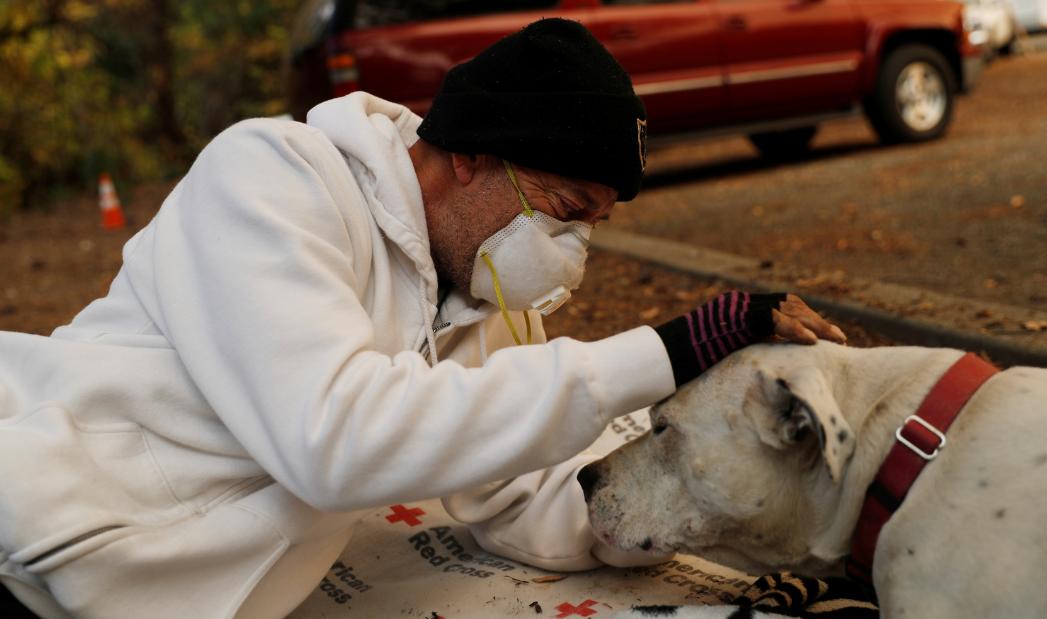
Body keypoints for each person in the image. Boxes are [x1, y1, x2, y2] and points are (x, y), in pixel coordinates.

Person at [0, 18, 845, 619]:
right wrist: (669, 347)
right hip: (30, 544)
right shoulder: (273, 179)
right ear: (473, 154)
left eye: (593, 224)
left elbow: (527, 499)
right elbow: (336, 440)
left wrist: (700, 495)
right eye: (562, 208)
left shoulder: (484, 301)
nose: (572, 248)